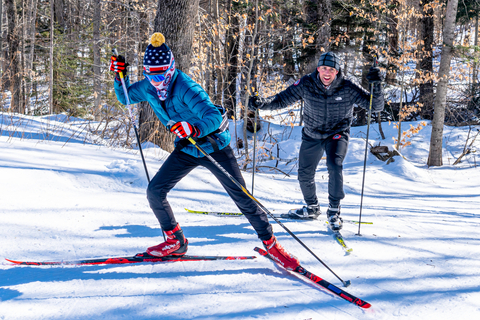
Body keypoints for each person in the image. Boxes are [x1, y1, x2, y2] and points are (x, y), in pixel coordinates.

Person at [110, 32, 299, 270]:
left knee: (242, 197)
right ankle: (175, 241)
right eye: (151, 75)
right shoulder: (149, 86)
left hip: (213, 145)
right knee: (155, 191)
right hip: (188, 147)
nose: (156, 82)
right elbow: (125, 98)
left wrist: (193, 127)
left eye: (161, 75)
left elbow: (213, 115)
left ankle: (272, 245)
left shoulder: (186, 87)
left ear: (170, 69)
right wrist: (120, 77)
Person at [249, 52, 384, 231]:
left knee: (335, 165)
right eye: (324, 68)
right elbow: (282, 99)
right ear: (318, 68)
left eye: (332, 69)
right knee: (304, 173)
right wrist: (262, 103)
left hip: (337, 133)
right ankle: (312, 208)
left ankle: (334, 211)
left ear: (337, 71)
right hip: (312, 133)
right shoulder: (307, 83)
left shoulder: (348, 87)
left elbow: (376, 106)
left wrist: (378, 85)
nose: (327, 73)